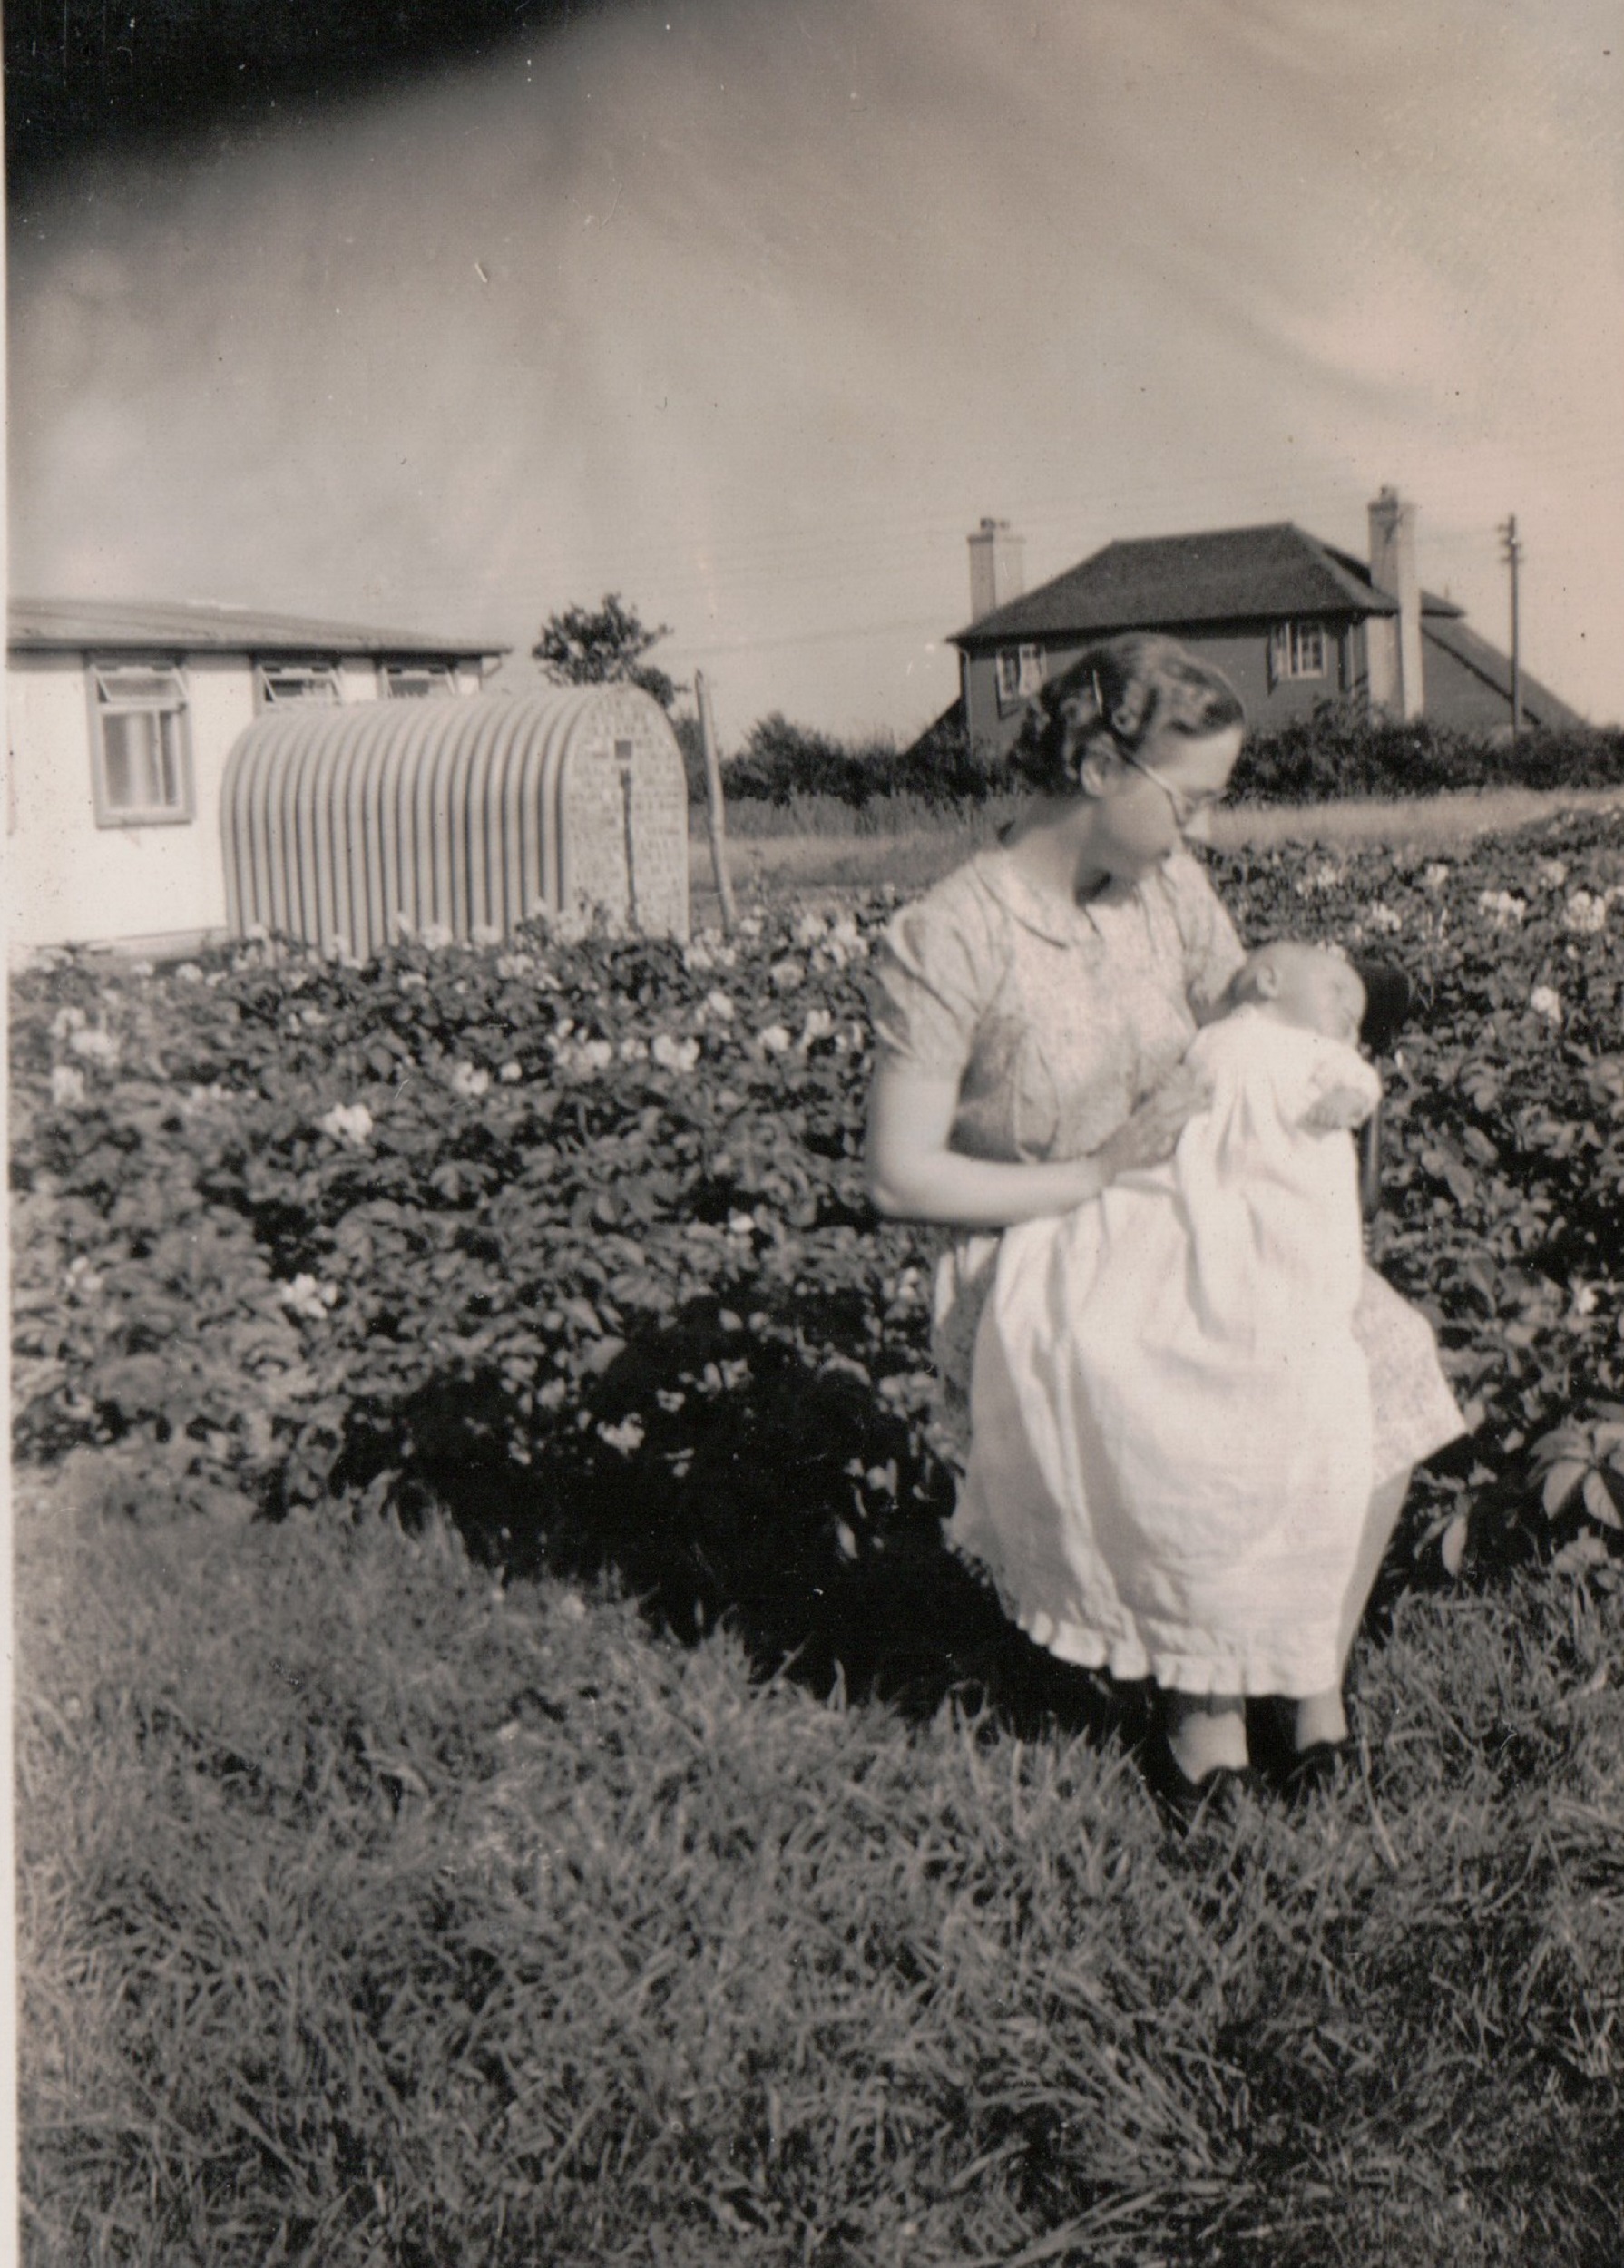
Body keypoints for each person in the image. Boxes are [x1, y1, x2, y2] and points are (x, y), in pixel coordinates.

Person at [865, 635, 1463, 1813]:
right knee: (1205, 1392)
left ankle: (1307, 1685)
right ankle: (1202, 1721)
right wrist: (1093, 1170)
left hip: (1191, 1215)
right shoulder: (951, 938)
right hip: (1044, 1250)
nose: (1203, 832)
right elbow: (899, 1178)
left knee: (1381, 1352)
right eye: (1188, 800)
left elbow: (1260, 1027)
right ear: (1095, 766)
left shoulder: (1168, 893)